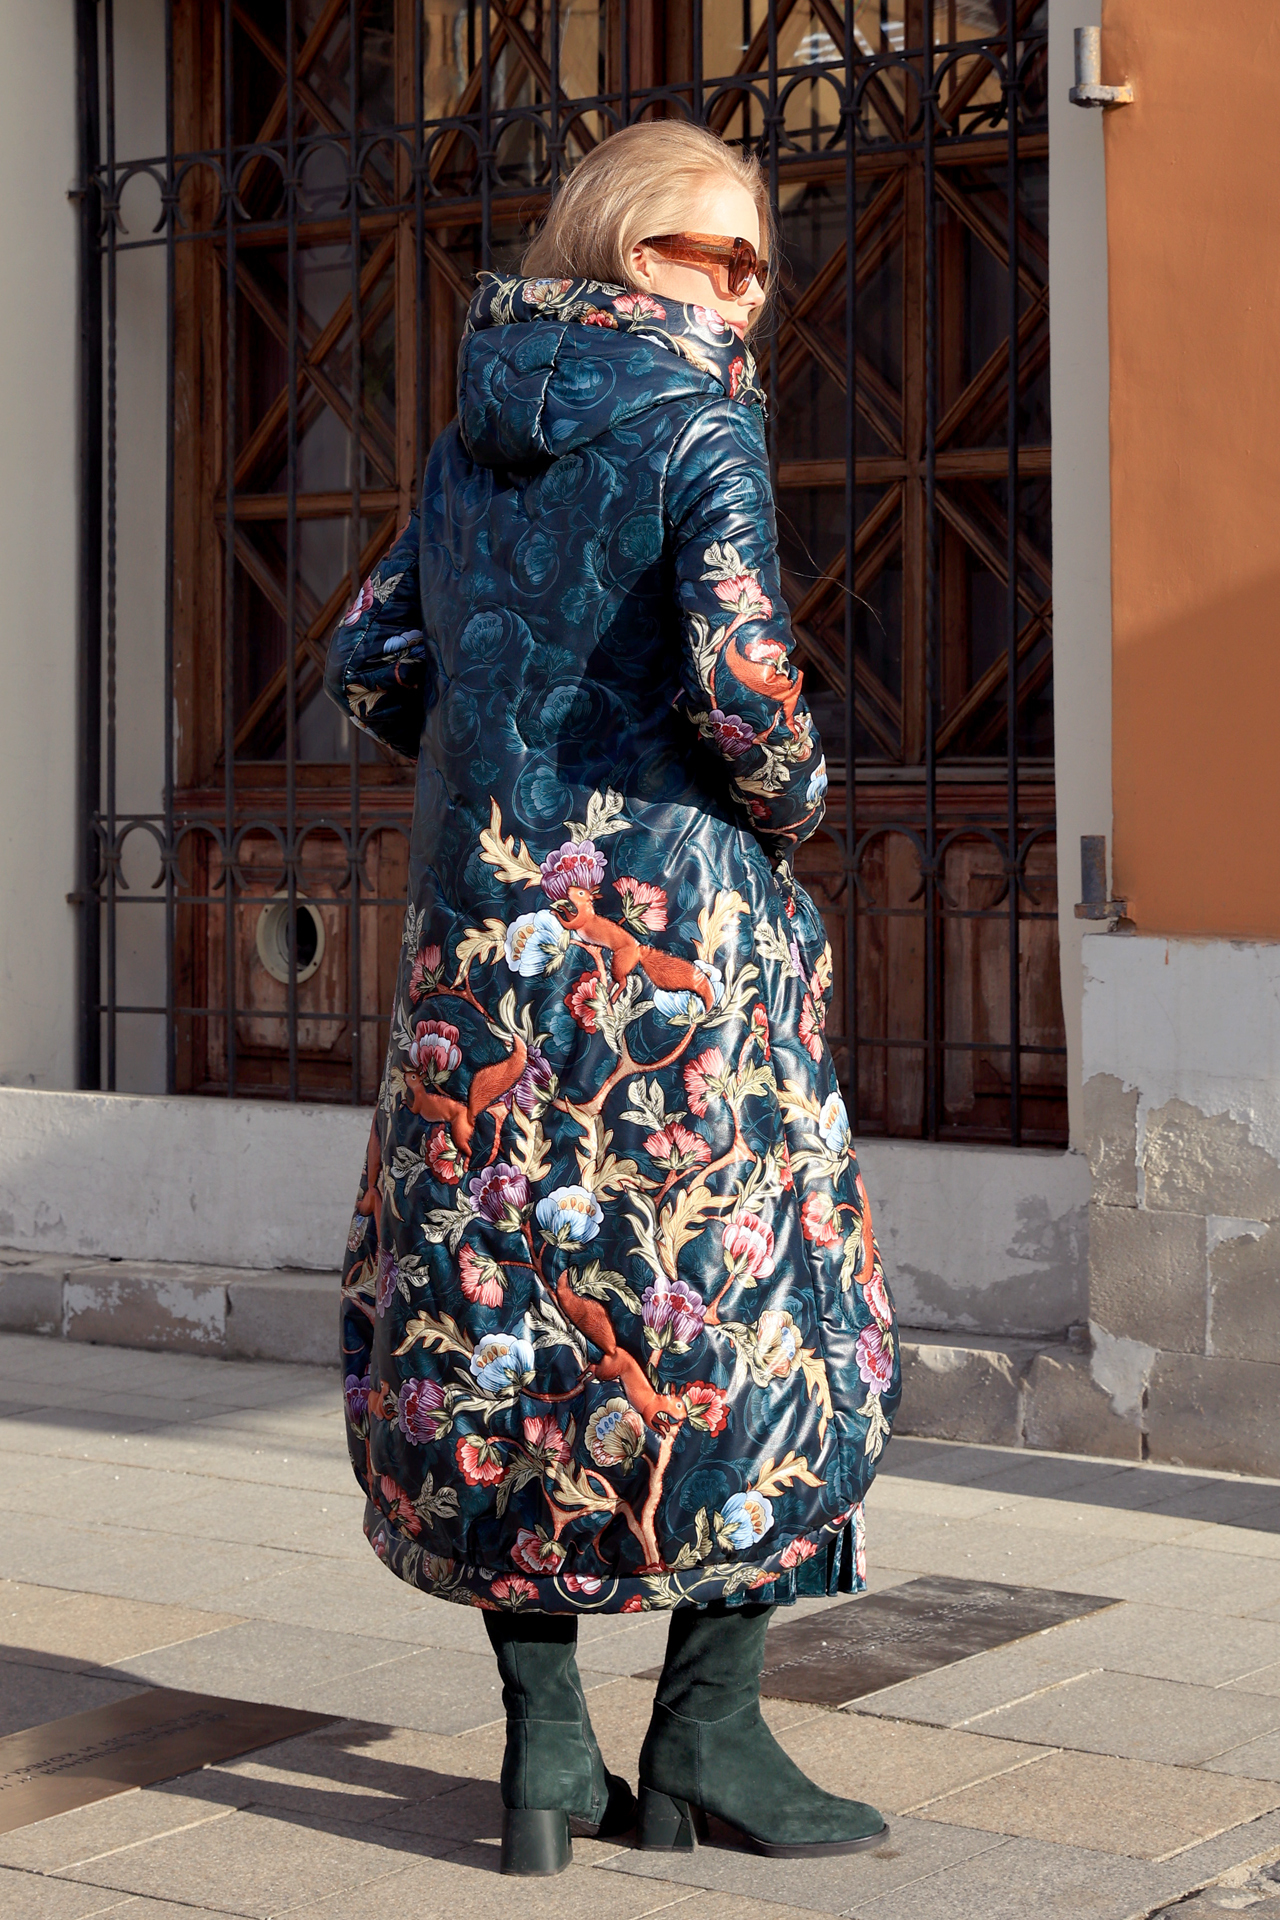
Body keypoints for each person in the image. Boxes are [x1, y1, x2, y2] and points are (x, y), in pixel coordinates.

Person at [325, 118, 901, 1877]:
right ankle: (709, 1740)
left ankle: (548, 1755)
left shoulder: (469, 435)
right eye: (701, 252)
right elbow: (746, 690)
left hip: (482, 954)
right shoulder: (698, 422)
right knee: (747, 1318)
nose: (739, 293)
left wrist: (506, 791)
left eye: (755, 265)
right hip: (672, 967)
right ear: (612, 246)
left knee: (498, 1318)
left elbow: (369, 660)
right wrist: (791, 806)